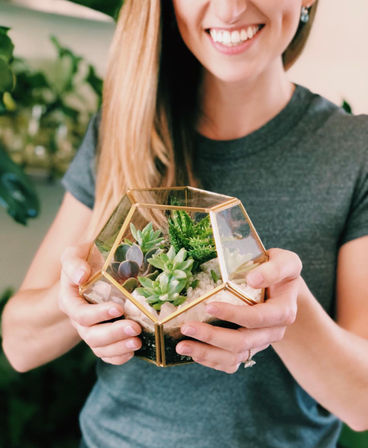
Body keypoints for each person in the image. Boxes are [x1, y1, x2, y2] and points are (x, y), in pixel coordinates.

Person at [2, 0, 368, 447]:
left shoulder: (354, 153)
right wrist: (77, 299)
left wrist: (287, 310)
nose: (231, 8)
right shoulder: (121, 135)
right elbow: (18, 346)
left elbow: (362, 403)